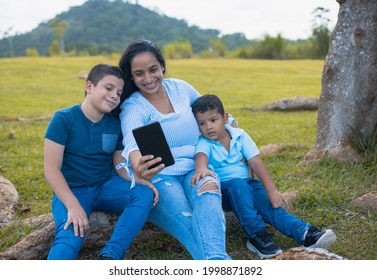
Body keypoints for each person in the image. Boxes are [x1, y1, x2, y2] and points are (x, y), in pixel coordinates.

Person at [118, 40, 231, 260]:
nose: (149, 79)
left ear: (162, 66)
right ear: (131, 76)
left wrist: (234, 129)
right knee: (189, 222)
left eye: (153, 70)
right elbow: (132, 144)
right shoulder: (133, 106)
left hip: (196, 167)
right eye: (139, 74)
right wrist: (138, 166)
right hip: (160, 177)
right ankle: (219, 263)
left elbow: (210, 112)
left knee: (209, 190)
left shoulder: (181, 88)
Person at [191, 94, 337, 259]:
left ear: (225, 118)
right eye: (201, 124)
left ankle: (306, 233)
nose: (208, 127)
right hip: (225, 190)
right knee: (238, 184)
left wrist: (272, 191)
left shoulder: (240, 136)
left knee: (270, 206)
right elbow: (200, 157)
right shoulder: (204, 142)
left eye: (213, 120)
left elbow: (256, 163)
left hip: (248, 185)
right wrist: (201, 168)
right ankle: (256, 235)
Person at [44, 64, 158, 260]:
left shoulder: (115, 124)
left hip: (106, 186)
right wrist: (72, 206)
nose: (115, 95)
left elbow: (118, 163)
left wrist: (136, 180)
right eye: (108, 88)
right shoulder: (63, 119)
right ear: (89, 87)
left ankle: (110, 255)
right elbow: (51, 169)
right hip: (74, 190)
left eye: (119, 92)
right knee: (69, 238)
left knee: (143, 195)